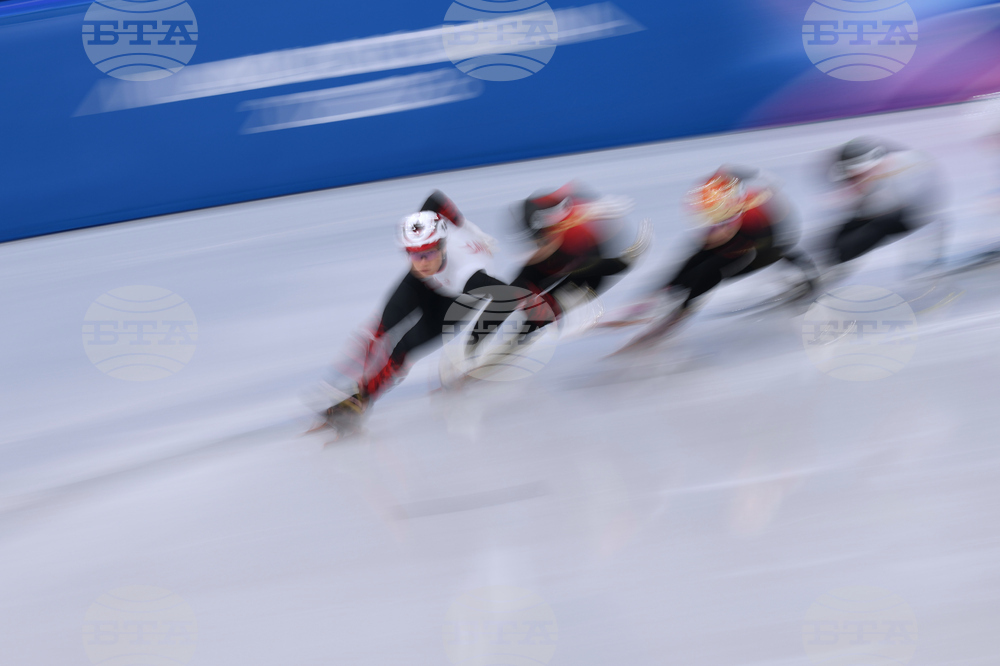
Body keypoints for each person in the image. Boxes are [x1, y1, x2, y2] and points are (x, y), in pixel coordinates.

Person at [315, 191, 508, 436]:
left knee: (403, 349)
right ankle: (341, 387)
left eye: (428, 253)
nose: (421, 262)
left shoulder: (468, 275)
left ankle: (360, 401)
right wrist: (464, 225)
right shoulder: (425, 251)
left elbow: (505, 296)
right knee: (381, 327)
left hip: (457, 299)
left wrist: (476, 342)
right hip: (431, 279)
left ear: (442, 246)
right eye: (414, 254)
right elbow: (435, 200)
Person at [609, 166, 817, 347]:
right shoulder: (721, 194)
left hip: (760, 242)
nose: (712, 222)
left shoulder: (756, 221)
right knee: (691, 259)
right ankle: (655, 297)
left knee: (709, 271)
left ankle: (679, 313)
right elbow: (728, 171)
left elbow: (781, 250)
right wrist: (758, 175)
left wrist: (806, 273)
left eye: (717, 217)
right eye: (711, 216)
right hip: (741, 227)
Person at [502, 182, 651, 339]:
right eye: (537, 242)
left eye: (541, 241)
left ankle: (524, 333)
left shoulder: (578, 242)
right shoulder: (542, 211)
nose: (538, 246)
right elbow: (569, 189)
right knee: (522, 287)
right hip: (571, 248)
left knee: (550, 304)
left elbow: (614, 266)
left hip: (591, 263)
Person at [824, 137, 946, 267]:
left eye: (857, 177)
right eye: (851, 178)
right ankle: (832, 260)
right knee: (849, 235)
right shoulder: (877, 178)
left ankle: (836, 261)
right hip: (896, 205)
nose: (854, 183)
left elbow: (875, 213)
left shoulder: (901, 178)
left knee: (865, 231)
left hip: (913, 211)